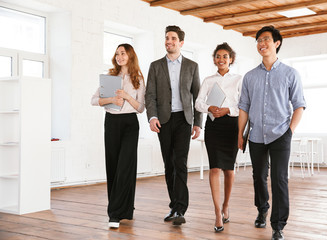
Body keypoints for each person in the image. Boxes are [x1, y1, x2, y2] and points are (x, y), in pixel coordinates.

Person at [238, 26, 306, 240]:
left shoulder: (290, 74)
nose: (261, 43)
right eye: (258, 40)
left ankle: (278, 226)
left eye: (266, 39)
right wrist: (240, 134)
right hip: (256, 134)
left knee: (279, 179)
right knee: (258, 176)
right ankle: (262, 209)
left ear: (277, 43)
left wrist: (290, 131)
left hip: (280, 134)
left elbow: (299, 105)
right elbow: (243, 108)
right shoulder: (249, 77)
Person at [145, 25, 202, 226]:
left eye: (173, 38)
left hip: (184, 120)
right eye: (167, 38)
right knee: (169, 165)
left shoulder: (192, 66)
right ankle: (174, 205)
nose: (169, 41)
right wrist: (152, 117)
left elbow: (198, 96)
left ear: (181, 43)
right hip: (164, 120)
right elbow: (150, 94)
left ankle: (180, 208)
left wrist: (197, 123)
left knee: (180, 163)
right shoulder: (155, 66)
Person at [91, 43, 145, 228]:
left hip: (130, 124)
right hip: (112, 122)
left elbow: (141, 108)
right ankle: (122, 209)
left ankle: (115, 213)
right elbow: (94, 100)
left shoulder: (138, 78)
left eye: (123, 53)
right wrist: (112, 99)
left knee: (126, 166)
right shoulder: (109, 77)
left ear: (130, 55)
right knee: (113, 165)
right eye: (117, 54)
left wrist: (127, 97)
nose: (119, 56)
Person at [195, 42, 242, 232]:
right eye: (218, 56)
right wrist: (209, 108)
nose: (221, 59)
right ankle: (216, 213)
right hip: (213, 125)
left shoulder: (239, 79)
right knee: (214, 168)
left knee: (229, 170)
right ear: (214, 59)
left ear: (231, 59)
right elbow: (198, 103)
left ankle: (226, 206)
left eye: (225, 56)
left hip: (231, 125)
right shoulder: (207, 80)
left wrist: (228, 109)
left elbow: (244, 104)